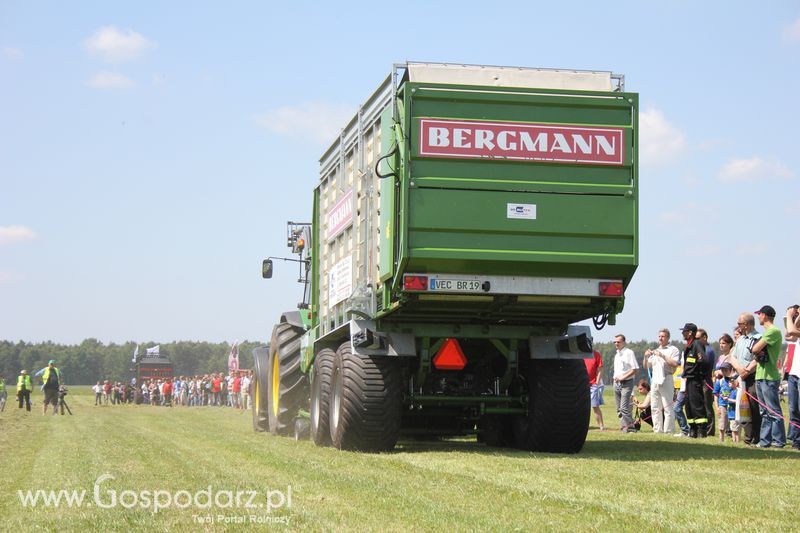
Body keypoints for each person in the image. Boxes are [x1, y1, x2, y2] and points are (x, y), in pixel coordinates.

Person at [723, 313, 762, 445]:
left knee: (754, 407)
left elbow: (758, 359)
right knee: (743, 408)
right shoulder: (740, 340)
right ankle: (748, 437)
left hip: (752, 377)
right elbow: (731, 357)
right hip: (741, 377)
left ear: (747, 324)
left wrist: (746, 371)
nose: (738, 326)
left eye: (739, 323)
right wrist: (739, 371)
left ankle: (756, 437)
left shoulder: (758, 338)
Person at [750, 305, 786, 448]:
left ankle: (779, 441)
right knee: (764, 411)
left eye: (760, 314)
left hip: (770, 376)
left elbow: (755, 349)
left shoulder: (773, 331)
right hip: (761, 375)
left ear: (764, 315)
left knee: (773, 410)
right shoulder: (766, 333)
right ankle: (765, 441)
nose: (758, 317)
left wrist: (756, 348)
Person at [643, 328, 680, 434]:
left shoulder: (673, 349)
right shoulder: (655, 350)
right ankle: (657, 430)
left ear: (668, 338)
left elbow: (675, 363)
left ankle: (668, 430)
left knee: (667, 406)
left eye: (663, 336)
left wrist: (663, 355)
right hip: (655, 380)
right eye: (659, 336)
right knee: (655, 407)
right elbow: (646, 366)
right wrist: (646, 357)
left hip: (666, 379)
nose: (660, 338)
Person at [680, 323, 709, 438]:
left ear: (690, 332)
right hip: (689, 380)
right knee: (689, 406)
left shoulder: (697, 344)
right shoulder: (689, 346)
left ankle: (702, 431)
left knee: (697, 406)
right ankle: (693, 430)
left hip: (695, 380)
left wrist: (700, 374)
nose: (683, 333)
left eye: (684, 331)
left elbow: (704, 361)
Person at [612, 334, 639, 433]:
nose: (616, 343)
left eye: (618, 342)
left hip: (626, 383)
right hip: (616, 383)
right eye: (614, 342)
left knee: (624, 408)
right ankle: (624, 428)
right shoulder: (616, 355)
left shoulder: (629, 353)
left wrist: (623, 377)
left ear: (624, 342)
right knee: (619, 409)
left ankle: (631, 428)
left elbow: (635, 369)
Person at [783, 305, 800, 450]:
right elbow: (789, 336)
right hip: (794, 373)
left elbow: (791, 331)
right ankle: (796, 439)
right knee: (794, 409)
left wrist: (789, 315)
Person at [695, 328, 716, 437]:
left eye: (698, 338)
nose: (696, 341)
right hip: (699, 381)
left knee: (707, 407)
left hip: (706, 381)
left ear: (704, 337)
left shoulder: (708, 350)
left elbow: (704, 365)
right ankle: (702, 429)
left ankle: (710, 430)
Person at [713, 362, 735, 442]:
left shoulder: (733, 381)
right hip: (722, 405)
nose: (725, 372)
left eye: (726, 370)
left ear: (730, 370)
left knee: (733, 422)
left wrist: (733, 383)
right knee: (722, 422)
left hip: (732, 405)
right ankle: (721, 438)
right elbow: (715, 394)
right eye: (723, 370)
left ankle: (734, 439)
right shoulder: (719, 382)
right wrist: (716, 406)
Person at [584, 350, 605, 430]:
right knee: (582, 407)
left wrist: (597, 382)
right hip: (581, 385)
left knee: (595, 406)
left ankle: (601, 426)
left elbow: (600, 369)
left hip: (593, 385)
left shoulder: (596, 354)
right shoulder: (578, 355)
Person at [728, 374, 741, 443]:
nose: (729, 383)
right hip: (731, 414)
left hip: (734, 415)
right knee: (733, 429)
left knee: (735, 429)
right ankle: (734, 441)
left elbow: (737, 401)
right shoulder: (731, 391)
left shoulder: (737, 391)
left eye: (731, 382)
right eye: (729, 382)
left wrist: (729, 399)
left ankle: (736, 441)